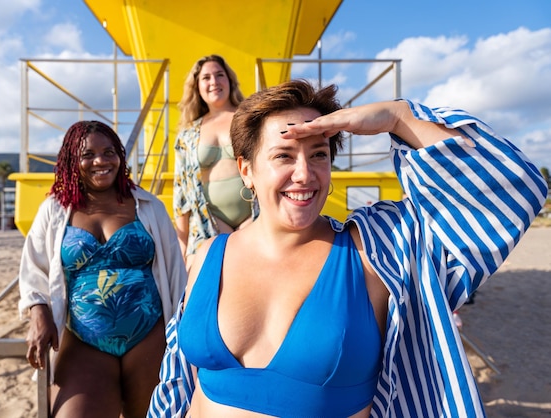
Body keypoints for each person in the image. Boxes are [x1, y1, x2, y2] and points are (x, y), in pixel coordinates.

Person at [147, 80, 548, 417]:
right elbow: (177, 382)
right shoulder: (206, 256)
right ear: (247, 170)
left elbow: (509, 194)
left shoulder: (378, 251)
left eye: (318, 155)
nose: (304, 174)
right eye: (283, 155)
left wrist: (399, 117)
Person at [18, 120, 187, 417]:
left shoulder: (149, 206)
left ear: (120, 156)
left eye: (109, 152)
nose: (101, 161)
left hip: (149, 336)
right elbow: (34, 266)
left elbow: (175, 273)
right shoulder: (55, 210)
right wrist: (37, 309)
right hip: (85, 340)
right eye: (88, 155)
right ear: (73, 160)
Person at [173, 54, 256, 270]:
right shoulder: (188, 133)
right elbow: (181, 189)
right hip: (207, 222)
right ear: (197, 87)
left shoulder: (251, 119)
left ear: (229, 80)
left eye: (220, 75)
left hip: (255, 216)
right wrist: (182, 241)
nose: (214, 82)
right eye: (206, 78)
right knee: (204, 289)